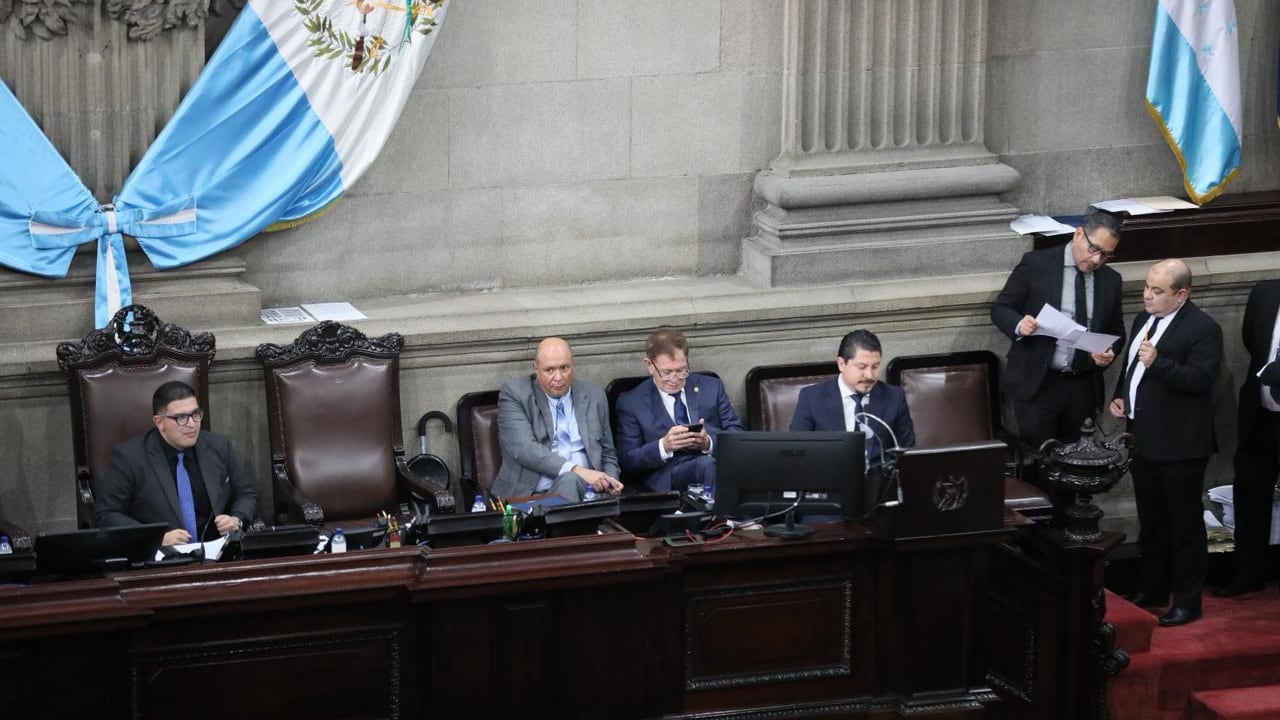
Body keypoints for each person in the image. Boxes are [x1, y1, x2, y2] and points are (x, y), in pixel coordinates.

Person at [1109, 259, 1222, 627]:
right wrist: (1121, 394)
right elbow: (1132, 366)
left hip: (1180, 446)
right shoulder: (1145, 320)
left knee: (1184, 525)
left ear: (1181, 295)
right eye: (1146, 287)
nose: (1147, 296)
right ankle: (1152, 588)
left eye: (1157, 291)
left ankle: (1188, 601)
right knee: (1152, 521)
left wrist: (1160, 364)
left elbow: (1201, 380)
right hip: (1143, 440)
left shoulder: (1203, 328)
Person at [992, 208, 1126, 447]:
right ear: (1078, 234)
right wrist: (1019, 325)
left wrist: (1109, 353)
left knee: (1077, 463)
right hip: (1039, 384)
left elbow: (1117, 331)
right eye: (1093, 249)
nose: (1096, 260)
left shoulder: (1111, 280)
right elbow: (1001, 309)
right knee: (1040, 461)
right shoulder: (1037, 264)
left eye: (1106, 255)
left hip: (1082, 388)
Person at [96, 381, 257, 547]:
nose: (192, 424)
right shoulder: (129, 457)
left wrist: (236, 519)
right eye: (181, 418)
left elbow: (245, 494)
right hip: (162, 557)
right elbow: (107, 515)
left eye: (196, 414)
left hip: (219, 550)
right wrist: (156, 537)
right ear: (159, 422)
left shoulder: (219, 446)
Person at [492, 337, 623, 501]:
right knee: (570, 480)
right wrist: (577, 470)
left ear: (573, 364)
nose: (559, 377)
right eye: (549, 370)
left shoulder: (594, 395)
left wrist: (610, 481)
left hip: (591, 493)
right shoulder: (515, 394)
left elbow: (608, 454)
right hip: (531, 496)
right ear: (536, 368)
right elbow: (525, 450)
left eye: (564, 368)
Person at [615, 328, 744, 494]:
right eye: (667, 372)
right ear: (649, 365)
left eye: (681, 370)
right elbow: (627, 461)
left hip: (714, 463)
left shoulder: (712, 387)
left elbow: (737, 436)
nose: (675, 379)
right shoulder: (632, 402)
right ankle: (731, 520)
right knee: (706, 466)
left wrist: (708, 443)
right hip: (669, 474)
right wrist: (664, 446)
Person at [1214, 279, 1280, 597]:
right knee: (1251, 493)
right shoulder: (1265, 293)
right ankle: (1248, 572)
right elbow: (1252, 342)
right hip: (1261, 417)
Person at [790, 329, 916, 466]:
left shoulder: (894, 397)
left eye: (875, 367)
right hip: (831, 481)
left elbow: (907, 452)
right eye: (862, 367)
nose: (869, 375)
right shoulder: (812, 398)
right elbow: (797, 451)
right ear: (841, 364)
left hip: (880, 483)